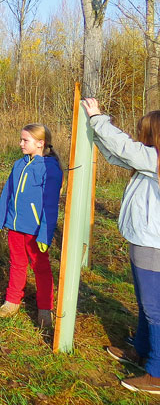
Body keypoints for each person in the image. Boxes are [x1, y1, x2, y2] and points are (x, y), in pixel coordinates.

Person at [82, 97, 160, 395]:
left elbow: (126, 148)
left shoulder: (154, 160)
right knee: (146, 302)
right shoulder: (149, 161)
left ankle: (157, 371)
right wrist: (95, 131)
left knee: (154, 308)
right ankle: (140, 350)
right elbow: (119, 155)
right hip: (143, 241)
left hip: (153, 244)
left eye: (144, 133)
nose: (139, 138)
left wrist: (99, 118)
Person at [0, 124, 63, 328]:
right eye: (21, 139)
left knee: (41, 268)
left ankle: (44, 309)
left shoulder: (50, 169)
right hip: (14, 227)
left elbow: (50, 206)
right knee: (17, 263)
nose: (21, 144)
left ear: (40, 143)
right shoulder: (18, 165)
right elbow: (7, 193)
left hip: (35, 230)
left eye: (25, 140)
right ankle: (12, 301)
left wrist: (45, 235)